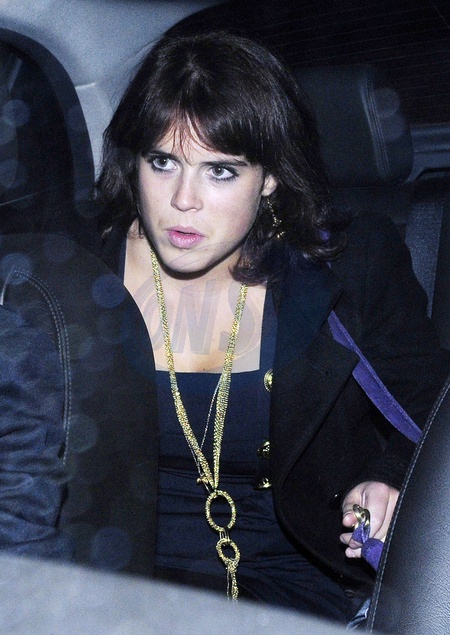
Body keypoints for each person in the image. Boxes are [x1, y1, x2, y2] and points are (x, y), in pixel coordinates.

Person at [87, 31, 447, 622]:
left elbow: (434, 410)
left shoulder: (349, 265)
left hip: (292, 585)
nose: (183, 200)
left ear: (271, 177)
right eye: (163, 162)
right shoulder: (74, 277)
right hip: (118, 583)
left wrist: (388, 480)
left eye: (220, 171)